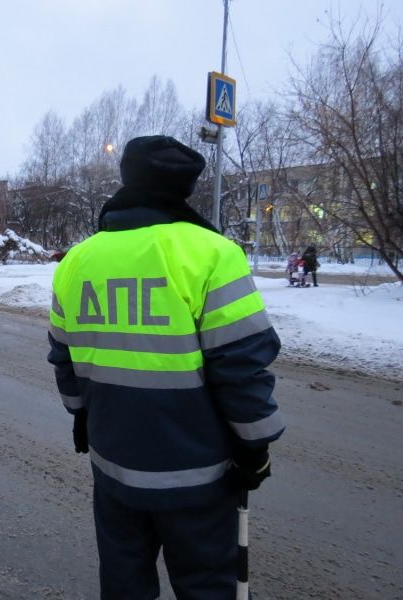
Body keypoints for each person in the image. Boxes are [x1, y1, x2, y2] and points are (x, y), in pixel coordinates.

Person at [48, 135, 284, 599]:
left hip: (112, 467)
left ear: (127, 178)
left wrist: (80, 412)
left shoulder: (78, 260)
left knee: (124, 585)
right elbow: (239, 363)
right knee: (208, 587)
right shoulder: (212, 253)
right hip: (196, 477)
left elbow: (64, 354)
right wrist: (256, 445)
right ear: (186, 189)